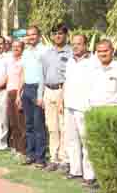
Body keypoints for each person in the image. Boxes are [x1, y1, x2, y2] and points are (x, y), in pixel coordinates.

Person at [82, 39, 117, 188]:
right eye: (99, 51)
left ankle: (110, 180)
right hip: (94, 112)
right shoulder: (93, 69)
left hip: (114, 113)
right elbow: (87, 91)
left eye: (105, 51)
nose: (102, 54)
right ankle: (91, 178)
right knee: (93, 147)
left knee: (112, 149)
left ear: (112, 50)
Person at [62, 35, 94, 184]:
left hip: (84, 106)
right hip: (69, 105)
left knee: (86, 141)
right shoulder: (70, 61)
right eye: (73, 44)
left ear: (86, 45)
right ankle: (75, 170)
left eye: (79, 44)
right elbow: (67, 82)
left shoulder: (93, 61)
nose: (75, 47)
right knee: (72, 140)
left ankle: (89, 175)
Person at [41, 24, 72, 173]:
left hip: (62, 91)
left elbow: (70, 77)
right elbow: (43, 75)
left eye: (60, 33)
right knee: (52, 127)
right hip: (48, 91)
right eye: (55, 33)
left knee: (63, 127)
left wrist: (64, 95)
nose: (58, 36)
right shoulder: (47, 53)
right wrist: (41, 95)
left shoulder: (71, 53)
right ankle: (53, 158)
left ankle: (64, 159)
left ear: (66, 35)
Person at [17, 26, 47, 169]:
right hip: (27, 89)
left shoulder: (44, 51)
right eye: (28, 35)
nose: (30, 37)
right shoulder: (26, 52)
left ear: (39, 35)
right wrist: (19, 93)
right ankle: (30, 154)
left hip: (37, 88)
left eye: (33, 34)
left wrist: (41, 95)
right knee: (28, 125)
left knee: (38, 125)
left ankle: (40, 158)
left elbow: (44, 74)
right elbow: (23, 72)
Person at [6, 40, 26, 155]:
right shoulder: (10, 61)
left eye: (18, 47)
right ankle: (15, 147)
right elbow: (8, 77)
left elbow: (23, 79)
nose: (15, 48)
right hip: (10, 92)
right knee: (13, 121)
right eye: (14, 46)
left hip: (19, 93)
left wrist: (19, 94)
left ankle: (23, 149)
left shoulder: (24, 61)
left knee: (21, 122)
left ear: (22, 48)